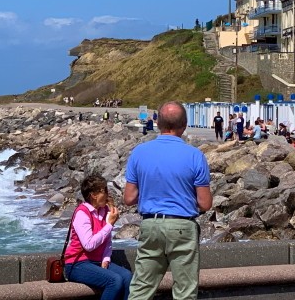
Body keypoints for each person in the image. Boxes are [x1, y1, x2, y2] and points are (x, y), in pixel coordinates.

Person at [124, 102, 212, 300]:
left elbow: (129, 198)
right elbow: (205, 203)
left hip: (150, 224)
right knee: (185, 291)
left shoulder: (139, 152)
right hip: (182, 224)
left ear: (157, 123)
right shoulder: (195, 156)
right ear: (185, 125)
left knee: (141, 289)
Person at [64, 174, 131, 300]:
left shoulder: (104, 211)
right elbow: (88, 245)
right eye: (104, 190)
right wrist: (109, 224)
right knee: (114, 281)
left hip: (97, 261)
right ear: (94, 195)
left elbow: (107, 241)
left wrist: (106, 259)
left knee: (127, 277)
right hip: (77, 264)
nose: (107, 194)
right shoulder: (82, 213)